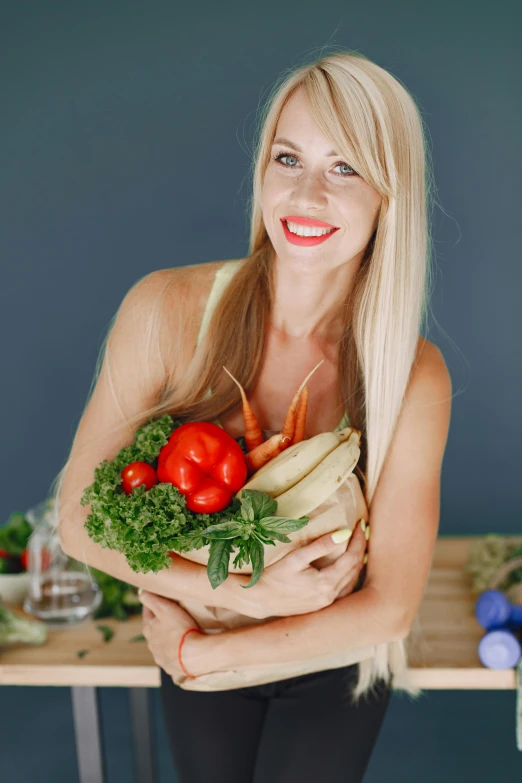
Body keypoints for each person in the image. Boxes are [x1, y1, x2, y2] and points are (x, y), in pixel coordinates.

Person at [55, 49, 452, 782]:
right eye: (288, 158)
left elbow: (389, 609)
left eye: (344, 168)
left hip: (330, 656)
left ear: (388, 196)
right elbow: (77, 519)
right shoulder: (165, 311)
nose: (305, 195)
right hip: (198, 624)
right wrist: (240, 591)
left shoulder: (412, 371)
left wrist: (202, 654)